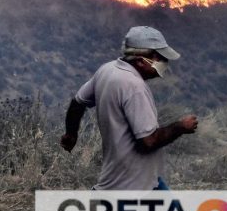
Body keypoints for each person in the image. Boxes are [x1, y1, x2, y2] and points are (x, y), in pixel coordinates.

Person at [60, 26, 198, 190]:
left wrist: (71, 134)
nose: (164, 63)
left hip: (143, 183)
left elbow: (78, 102)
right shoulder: (134, 87)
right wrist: (181, 127)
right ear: (140, 60)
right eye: (159, 58)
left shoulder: (107, 70)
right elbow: (149, 141)